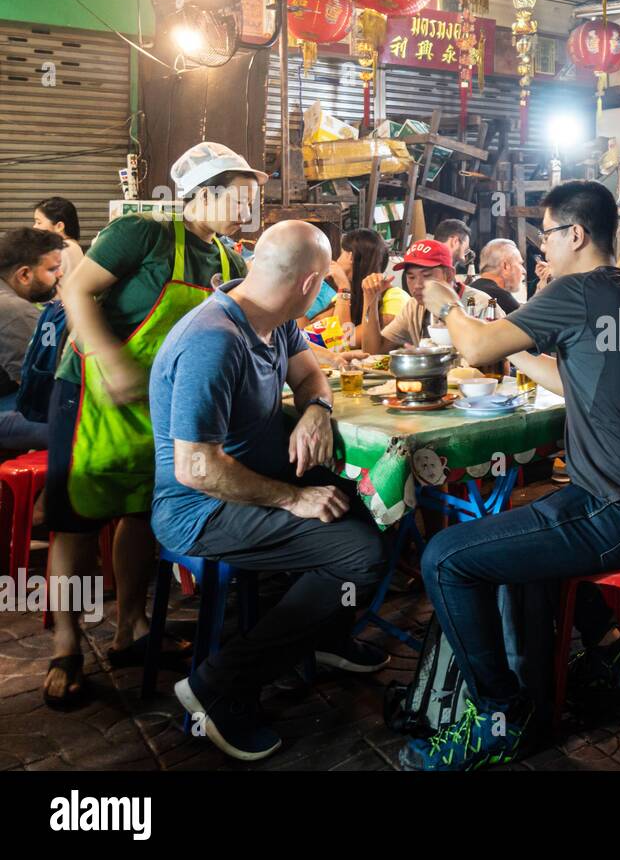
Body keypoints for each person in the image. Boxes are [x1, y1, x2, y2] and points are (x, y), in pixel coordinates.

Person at [405, 181, 620, 771]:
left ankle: (502, 717)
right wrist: (519, 346)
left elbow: (474, 350)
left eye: (549, 234)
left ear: (575, 235)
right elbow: (570, 380)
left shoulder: (577, 290)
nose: (542, 249)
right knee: (510, 526)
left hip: (614, 510)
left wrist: (448, 304)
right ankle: (601, 655)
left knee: (444, 559)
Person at [151, 220, 389, 761]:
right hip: (200, 508)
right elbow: (195, 467)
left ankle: (325, 638)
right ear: (310, 286)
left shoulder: (273, 317)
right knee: (359, 553)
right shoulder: (213, 339)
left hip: (256, 482)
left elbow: (311, 377)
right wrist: (294, 499)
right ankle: (218, 686)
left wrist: (316, 410)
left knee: (378, 501)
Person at [43, 141, 258, 710]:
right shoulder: (143, 232)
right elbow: (75, 291)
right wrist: (110, 361)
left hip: (159, 405)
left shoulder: (231, 261)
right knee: (78, 521)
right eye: (242, 193)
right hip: (91, 390)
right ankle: (66, 645)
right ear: (206, 191)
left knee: (142, 510)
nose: (250, 205)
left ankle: (130, 628)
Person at [359, 239, 487, 353]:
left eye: (426, 276)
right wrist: (370, 297)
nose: (417, 285)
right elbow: (373, 351)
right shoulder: (413, 306)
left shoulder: (481, 305)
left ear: (449, 275)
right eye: (411, 277)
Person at [0, 229, 62, 448]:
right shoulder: (15, 310)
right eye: (53, 269)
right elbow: (36, 386)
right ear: (24, 274)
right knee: (72, 428)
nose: (60, 275)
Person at [330, 228, 409, 340]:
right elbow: (309, 332)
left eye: (341, 254)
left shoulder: (396, 298)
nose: (336, 260)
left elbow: (344, 340)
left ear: (350, 257)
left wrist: (343, 287)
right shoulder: (348, 295)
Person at [469, 238, 525, 315]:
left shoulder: (469, 289)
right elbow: (530, 324)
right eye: (520, 264)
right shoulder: (500, 297)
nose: (523, 271)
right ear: (506, 266)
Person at [33, 196, 85, 278]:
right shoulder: (74, 247)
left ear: (59, 226)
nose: (34, 227)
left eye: (39, 222)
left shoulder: (61, 250)